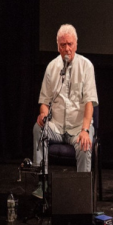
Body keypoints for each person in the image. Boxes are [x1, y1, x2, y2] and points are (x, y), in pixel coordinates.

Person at [32, 25, 98, 197]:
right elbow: (44, 101)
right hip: (57, 127)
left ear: (76, 44)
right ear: (58, 46)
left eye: (70, 44)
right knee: (38, 129)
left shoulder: (86, 66)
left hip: (78, 128)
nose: (67, 48)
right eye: (63, 45)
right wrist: (44, 115)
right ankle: (42, 183)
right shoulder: (52, 67)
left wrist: (85, 131)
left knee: (85, 145)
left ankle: (82, 192)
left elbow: (90, 102)